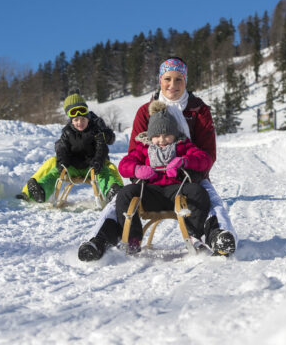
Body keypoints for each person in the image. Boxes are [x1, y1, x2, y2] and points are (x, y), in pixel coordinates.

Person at [78, 57, 237, 260]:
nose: (173, 85)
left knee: (208, 199)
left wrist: (186, 166)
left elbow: (207, 155)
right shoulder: (145, 113)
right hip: (149, 185)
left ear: (186, 80)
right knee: (120, 199)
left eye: (179, 79)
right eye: (168, 79)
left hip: (188, 178)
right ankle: (99, 241)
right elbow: (131, 158)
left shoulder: (198, 112)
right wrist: (137, 171)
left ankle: (216, 236)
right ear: (160, 80)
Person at [79, 101, 213, 259]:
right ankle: (132, 238)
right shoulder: (143, 149)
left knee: (198, 192)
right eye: (156, 136)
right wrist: (137, 170)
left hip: (178, 191)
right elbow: (124, 165)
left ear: (175, 135)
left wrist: (184, 162)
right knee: (125, 193)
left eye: (167, 135)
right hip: (149, 193)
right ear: (150, 136)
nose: (162, 140)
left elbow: (205, 159)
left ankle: (196, 235)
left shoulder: (183, 146)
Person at [23, 93, 123, 203]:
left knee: (107, 171)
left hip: (93, 166)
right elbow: (62, 148)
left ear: (87, 117)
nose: (79, 122)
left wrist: (99, 158)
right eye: (75, 118)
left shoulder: (96, 126)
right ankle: (39, 191)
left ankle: (115, 192)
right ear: (70, 117)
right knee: (54, 170)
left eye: (83, 118)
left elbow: (103, 147)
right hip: (73, 166)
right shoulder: (67, 131)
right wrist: (62, 162)